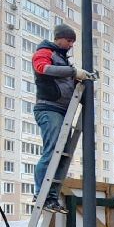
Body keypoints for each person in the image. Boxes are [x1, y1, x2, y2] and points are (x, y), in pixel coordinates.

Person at [31, 24, 92, 212]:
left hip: (62, 110)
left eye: (74, 41)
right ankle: (41, 194)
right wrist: (73, 72)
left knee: (62, 153)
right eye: (69, 40)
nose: (71, 45)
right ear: (59, 38)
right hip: (48, 108)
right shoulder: (44, 51)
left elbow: (66, 81)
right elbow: (42, 68)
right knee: (52, 150)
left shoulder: (63, 59)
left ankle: (51, 197)